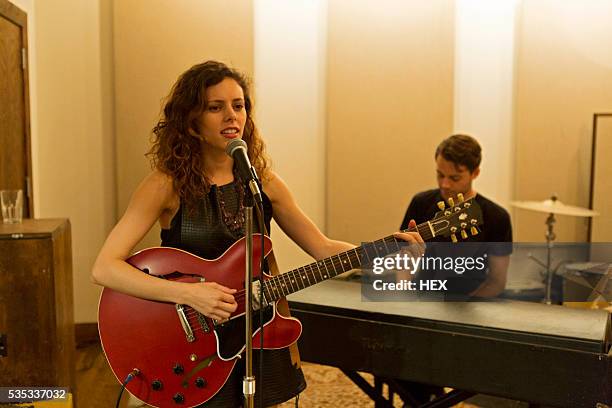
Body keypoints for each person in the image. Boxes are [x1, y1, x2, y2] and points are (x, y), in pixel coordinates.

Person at [92, 60, 424, 407]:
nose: (231, 117)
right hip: (193, 344)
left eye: (238, 106)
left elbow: (322, 247)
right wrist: (188, 295)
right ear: (191, 123)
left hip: (257, 333)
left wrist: (382, 252)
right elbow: (104, 267)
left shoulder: (262, 181)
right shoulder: (165, 185)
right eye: (215, 107)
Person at [400, 134, 512, 299]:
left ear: (475, 173)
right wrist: (404, 292)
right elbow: (404, 260)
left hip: (470, 306)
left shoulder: (496, 217)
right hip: (422, 299)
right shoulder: (421, 203)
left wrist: (463, 312)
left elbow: (496, 282)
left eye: (454, 178)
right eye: (440, 175)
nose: (445, 184)